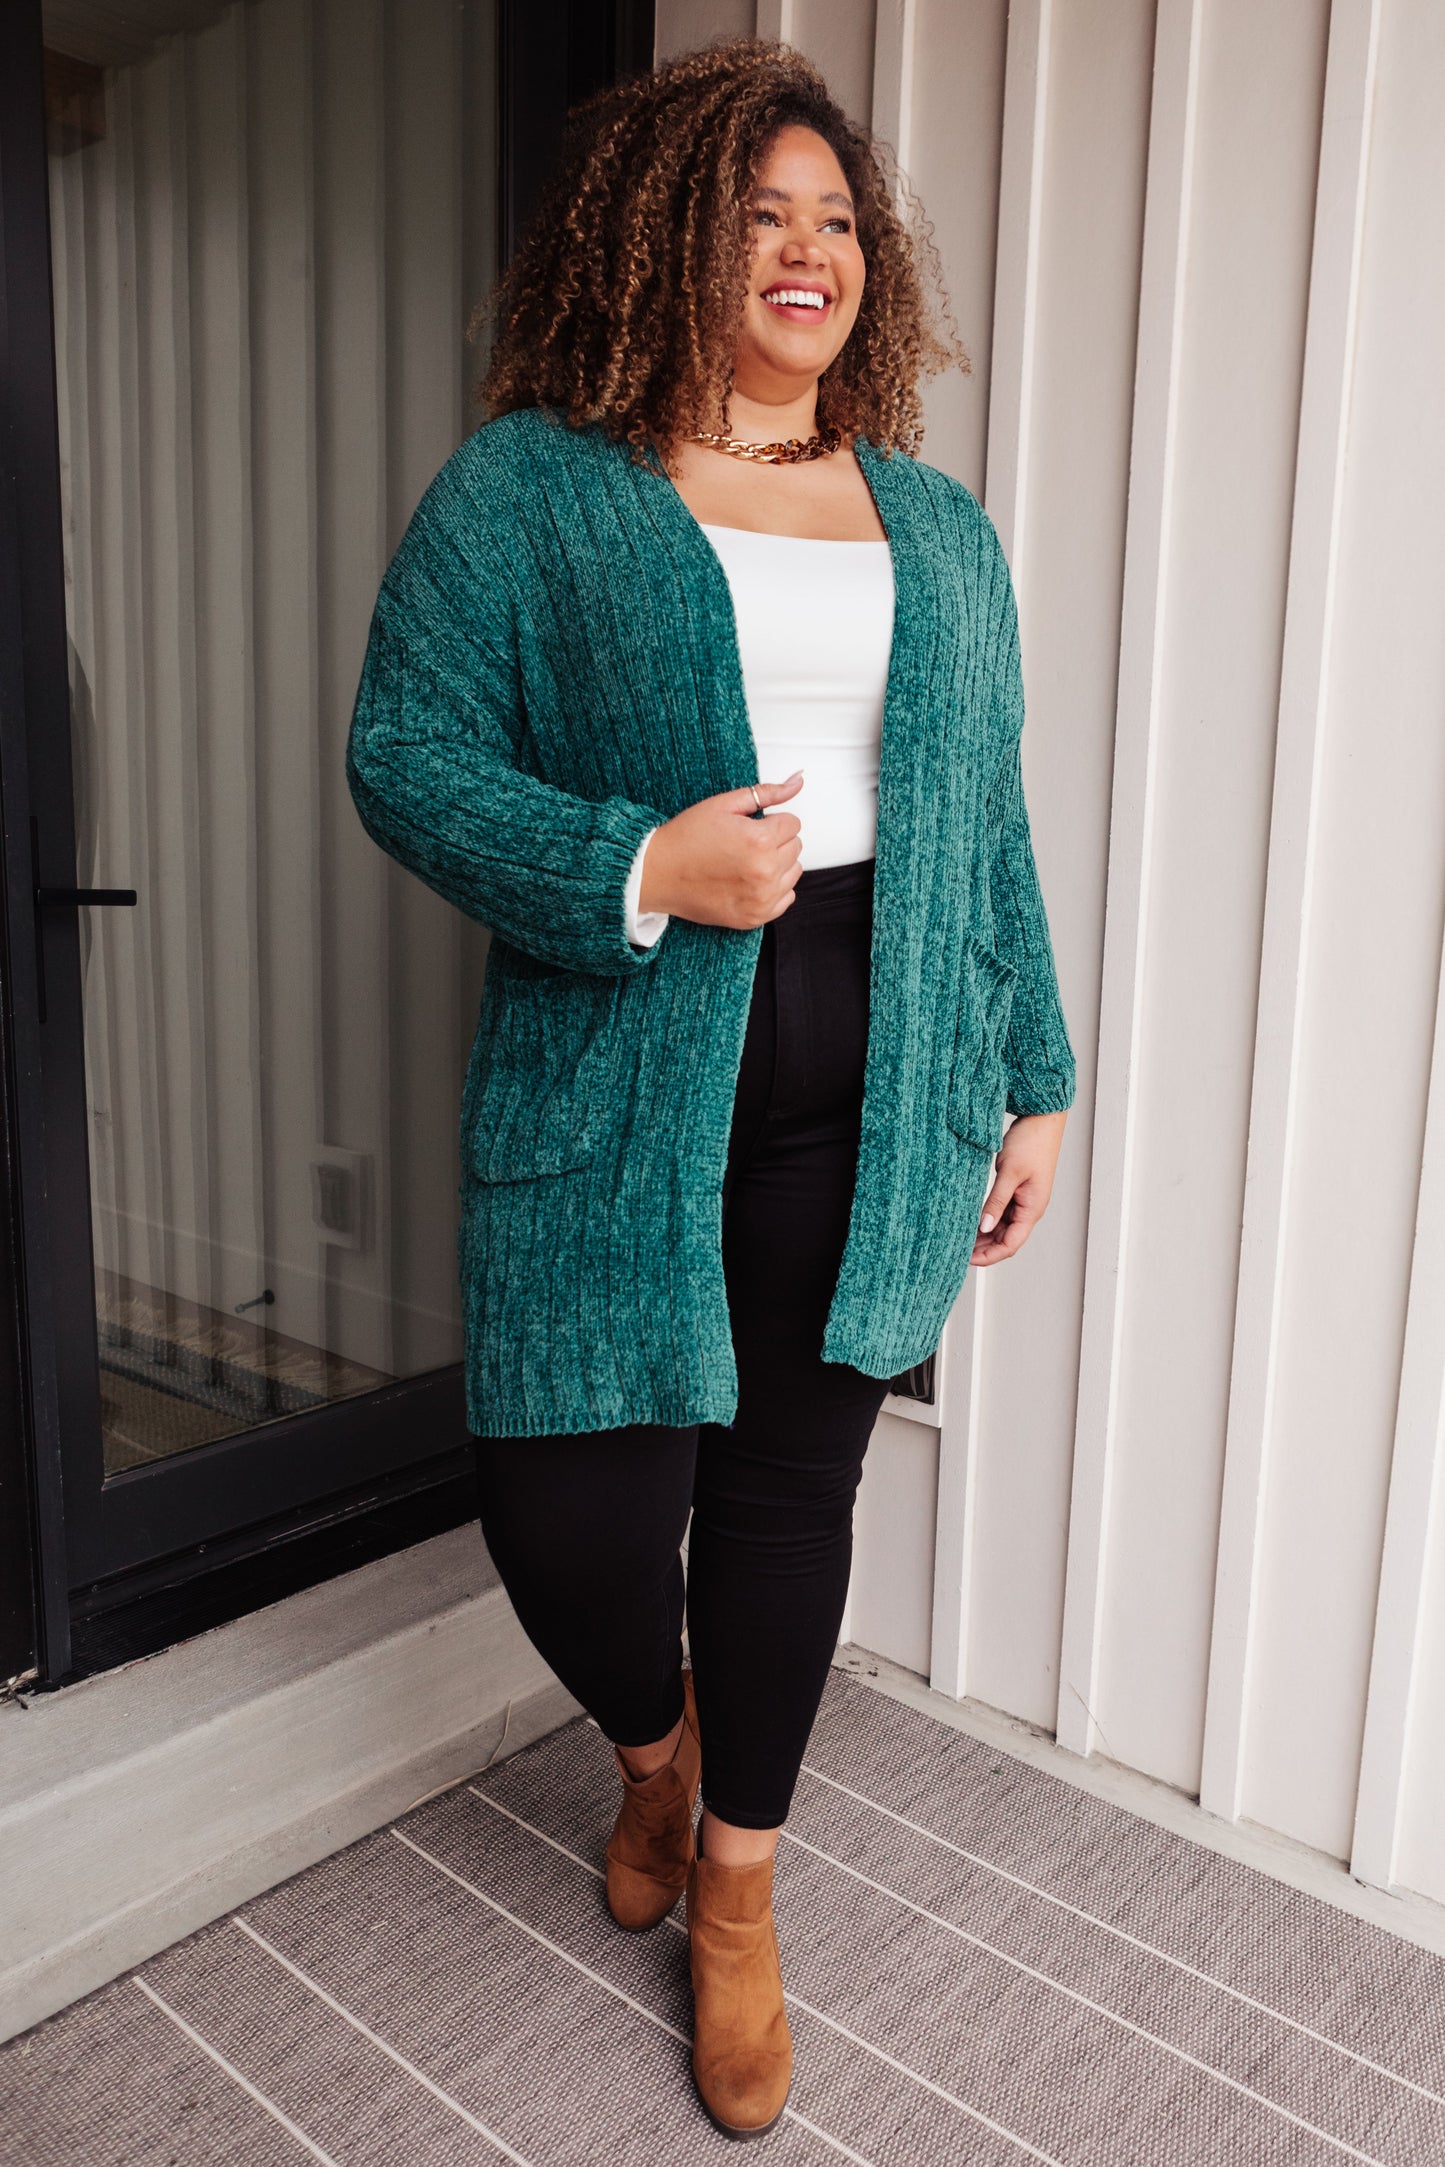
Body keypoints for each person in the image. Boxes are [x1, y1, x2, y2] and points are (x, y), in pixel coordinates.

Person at [346, 35, 1076, 2143]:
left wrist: (1034, 1075)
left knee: (781, 1503)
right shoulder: (533, 485)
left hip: (884, 1074)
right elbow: (405, 754)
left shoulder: (931, 522)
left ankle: (738, 1891)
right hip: (624, 1059)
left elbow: (984, 821)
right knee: (571, 1516)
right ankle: (652, 1756)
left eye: (836, 219)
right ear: (668, 237)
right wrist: (636, 867)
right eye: (760, 213)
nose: (806, 250)